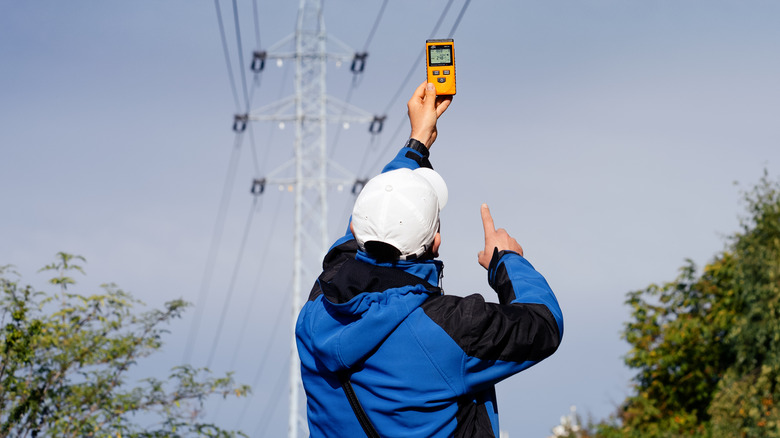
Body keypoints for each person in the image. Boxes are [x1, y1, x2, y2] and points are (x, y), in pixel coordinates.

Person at [296, 82, 563, 437]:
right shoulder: (453, 329)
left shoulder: (318, 309)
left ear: (359, 232)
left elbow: (362, 232)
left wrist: (417, 141)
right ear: (436, 242)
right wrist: (507, 262)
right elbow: (544, 325)